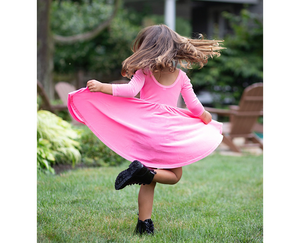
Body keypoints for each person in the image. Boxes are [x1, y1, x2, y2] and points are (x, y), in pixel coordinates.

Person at [68, 24, 224, 235]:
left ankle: (144, 225)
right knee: (174, 176)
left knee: (147, 182)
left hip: (146, 131)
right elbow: (194, 107)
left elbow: (130, 91)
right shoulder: (181, 76)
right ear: (173, 48)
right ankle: (144, 173)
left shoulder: (145, 71)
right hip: (169, 132)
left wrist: (102, 87)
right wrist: (206, 117)